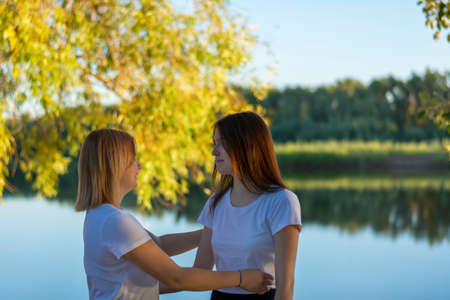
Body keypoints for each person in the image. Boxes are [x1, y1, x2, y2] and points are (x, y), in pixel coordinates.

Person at [74, 128, 273, 300]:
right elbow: (176, 277)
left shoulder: (101, 215)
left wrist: (209, 233)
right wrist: (242, 278)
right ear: (116, 165)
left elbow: (158, 246)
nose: (139, 166)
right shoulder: (115, 221)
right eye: (133, 159)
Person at [194, 112, 302, 300]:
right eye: (214, 143)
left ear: (246, 145)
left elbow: (286, 286)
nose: (214, 152)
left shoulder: (281, 201)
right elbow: (199, 272)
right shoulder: (215, 203)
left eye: (222, 143)